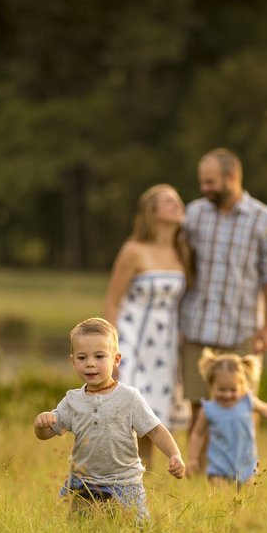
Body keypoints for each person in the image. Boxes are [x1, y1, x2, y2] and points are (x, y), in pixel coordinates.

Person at [179, 147, 267, 472]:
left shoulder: (264, 219)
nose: (204, 189)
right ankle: (202, 478)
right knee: (200, 410)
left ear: (232, 177)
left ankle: (243, 475)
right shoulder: (194, 214)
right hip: (199, 329)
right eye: (202, 182)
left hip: (242, 330)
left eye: (210, 182)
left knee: (242, 409)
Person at [33, 317, 186, 521]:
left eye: (99, 356)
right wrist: (41, 424)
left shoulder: (129, 397)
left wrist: (174, 455)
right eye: (82, 358)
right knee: (76, 528)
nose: (90, 364)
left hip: (124, 483)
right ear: (73, 361)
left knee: (136, 528)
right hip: (83, 482)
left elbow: (155, 430)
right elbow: (46, 434)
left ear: (116, 359)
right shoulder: (72, 400)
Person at [103, 184, 194, 469]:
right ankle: (113, 485)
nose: (178, 205)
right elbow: (113, 301)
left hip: (166, 346)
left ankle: (147, 489)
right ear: (151, 212)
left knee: (156, 418)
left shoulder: (183, 252)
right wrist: (110, 351)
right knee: (127, 414)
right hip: (132, 340)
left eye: (179, 200)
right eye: (169, 201)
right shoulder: (134, 251)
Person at [187, 349, 267, 488]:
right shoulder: (208, 410)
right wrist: (193, 458)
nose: (227, 395)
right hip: (218, 467)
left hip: (246, 465)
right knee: (221, 500)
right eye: (221, 390)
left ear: (242, 385)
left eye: (232, 390)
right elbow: (197, 434)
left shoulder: (247, 402)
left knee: (245, 501)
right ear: (211, 385)